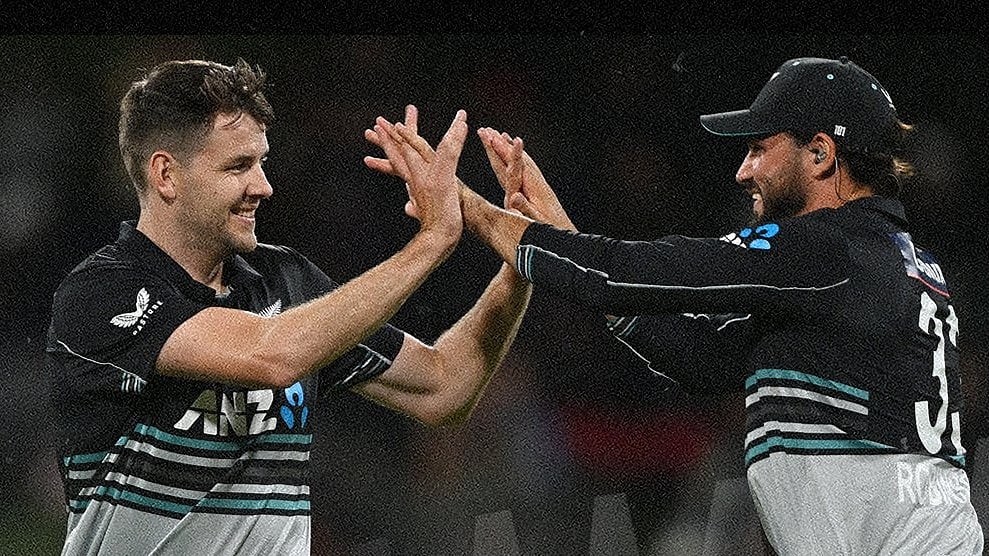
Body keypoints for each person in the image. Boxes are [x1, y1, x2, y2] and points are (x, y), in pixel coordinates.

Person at [380, 56, 985, 554]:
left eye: (760, 148)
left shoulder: (830, 252)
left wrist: (472, 212)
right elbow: (697, 358)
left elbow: (637, 274)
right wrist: (559, 235)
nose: (744, 171)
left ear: (822, 154)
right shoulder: (867, 265)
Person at [44, 59, 531, 555]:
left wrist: (521, 258)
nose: (263, 186)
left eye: (261, 162)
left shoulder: (287, 283)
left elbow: (446, 387)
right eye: (237, 166)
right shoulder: (101, 294)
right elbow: (272, 357)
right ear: (166, 174)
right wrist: (432, 241)